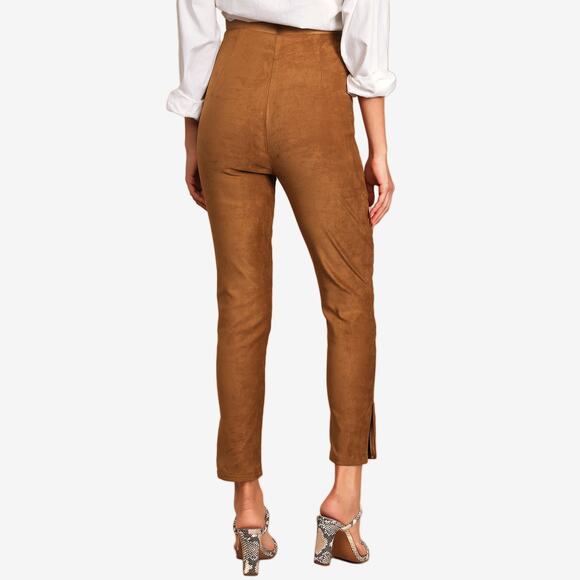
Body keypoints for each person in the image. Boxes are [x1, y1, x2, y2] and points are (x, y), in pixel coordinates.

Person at [167, 0, 396, 575]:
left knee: (240, 311)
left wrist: (193, 135)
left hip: (229, 92)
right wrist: (379, 148)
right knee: (348, 301)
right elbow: (365, 29)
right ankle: (343, 503)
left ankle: (247, 510)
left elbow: (196, 24)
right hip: (314, 93)